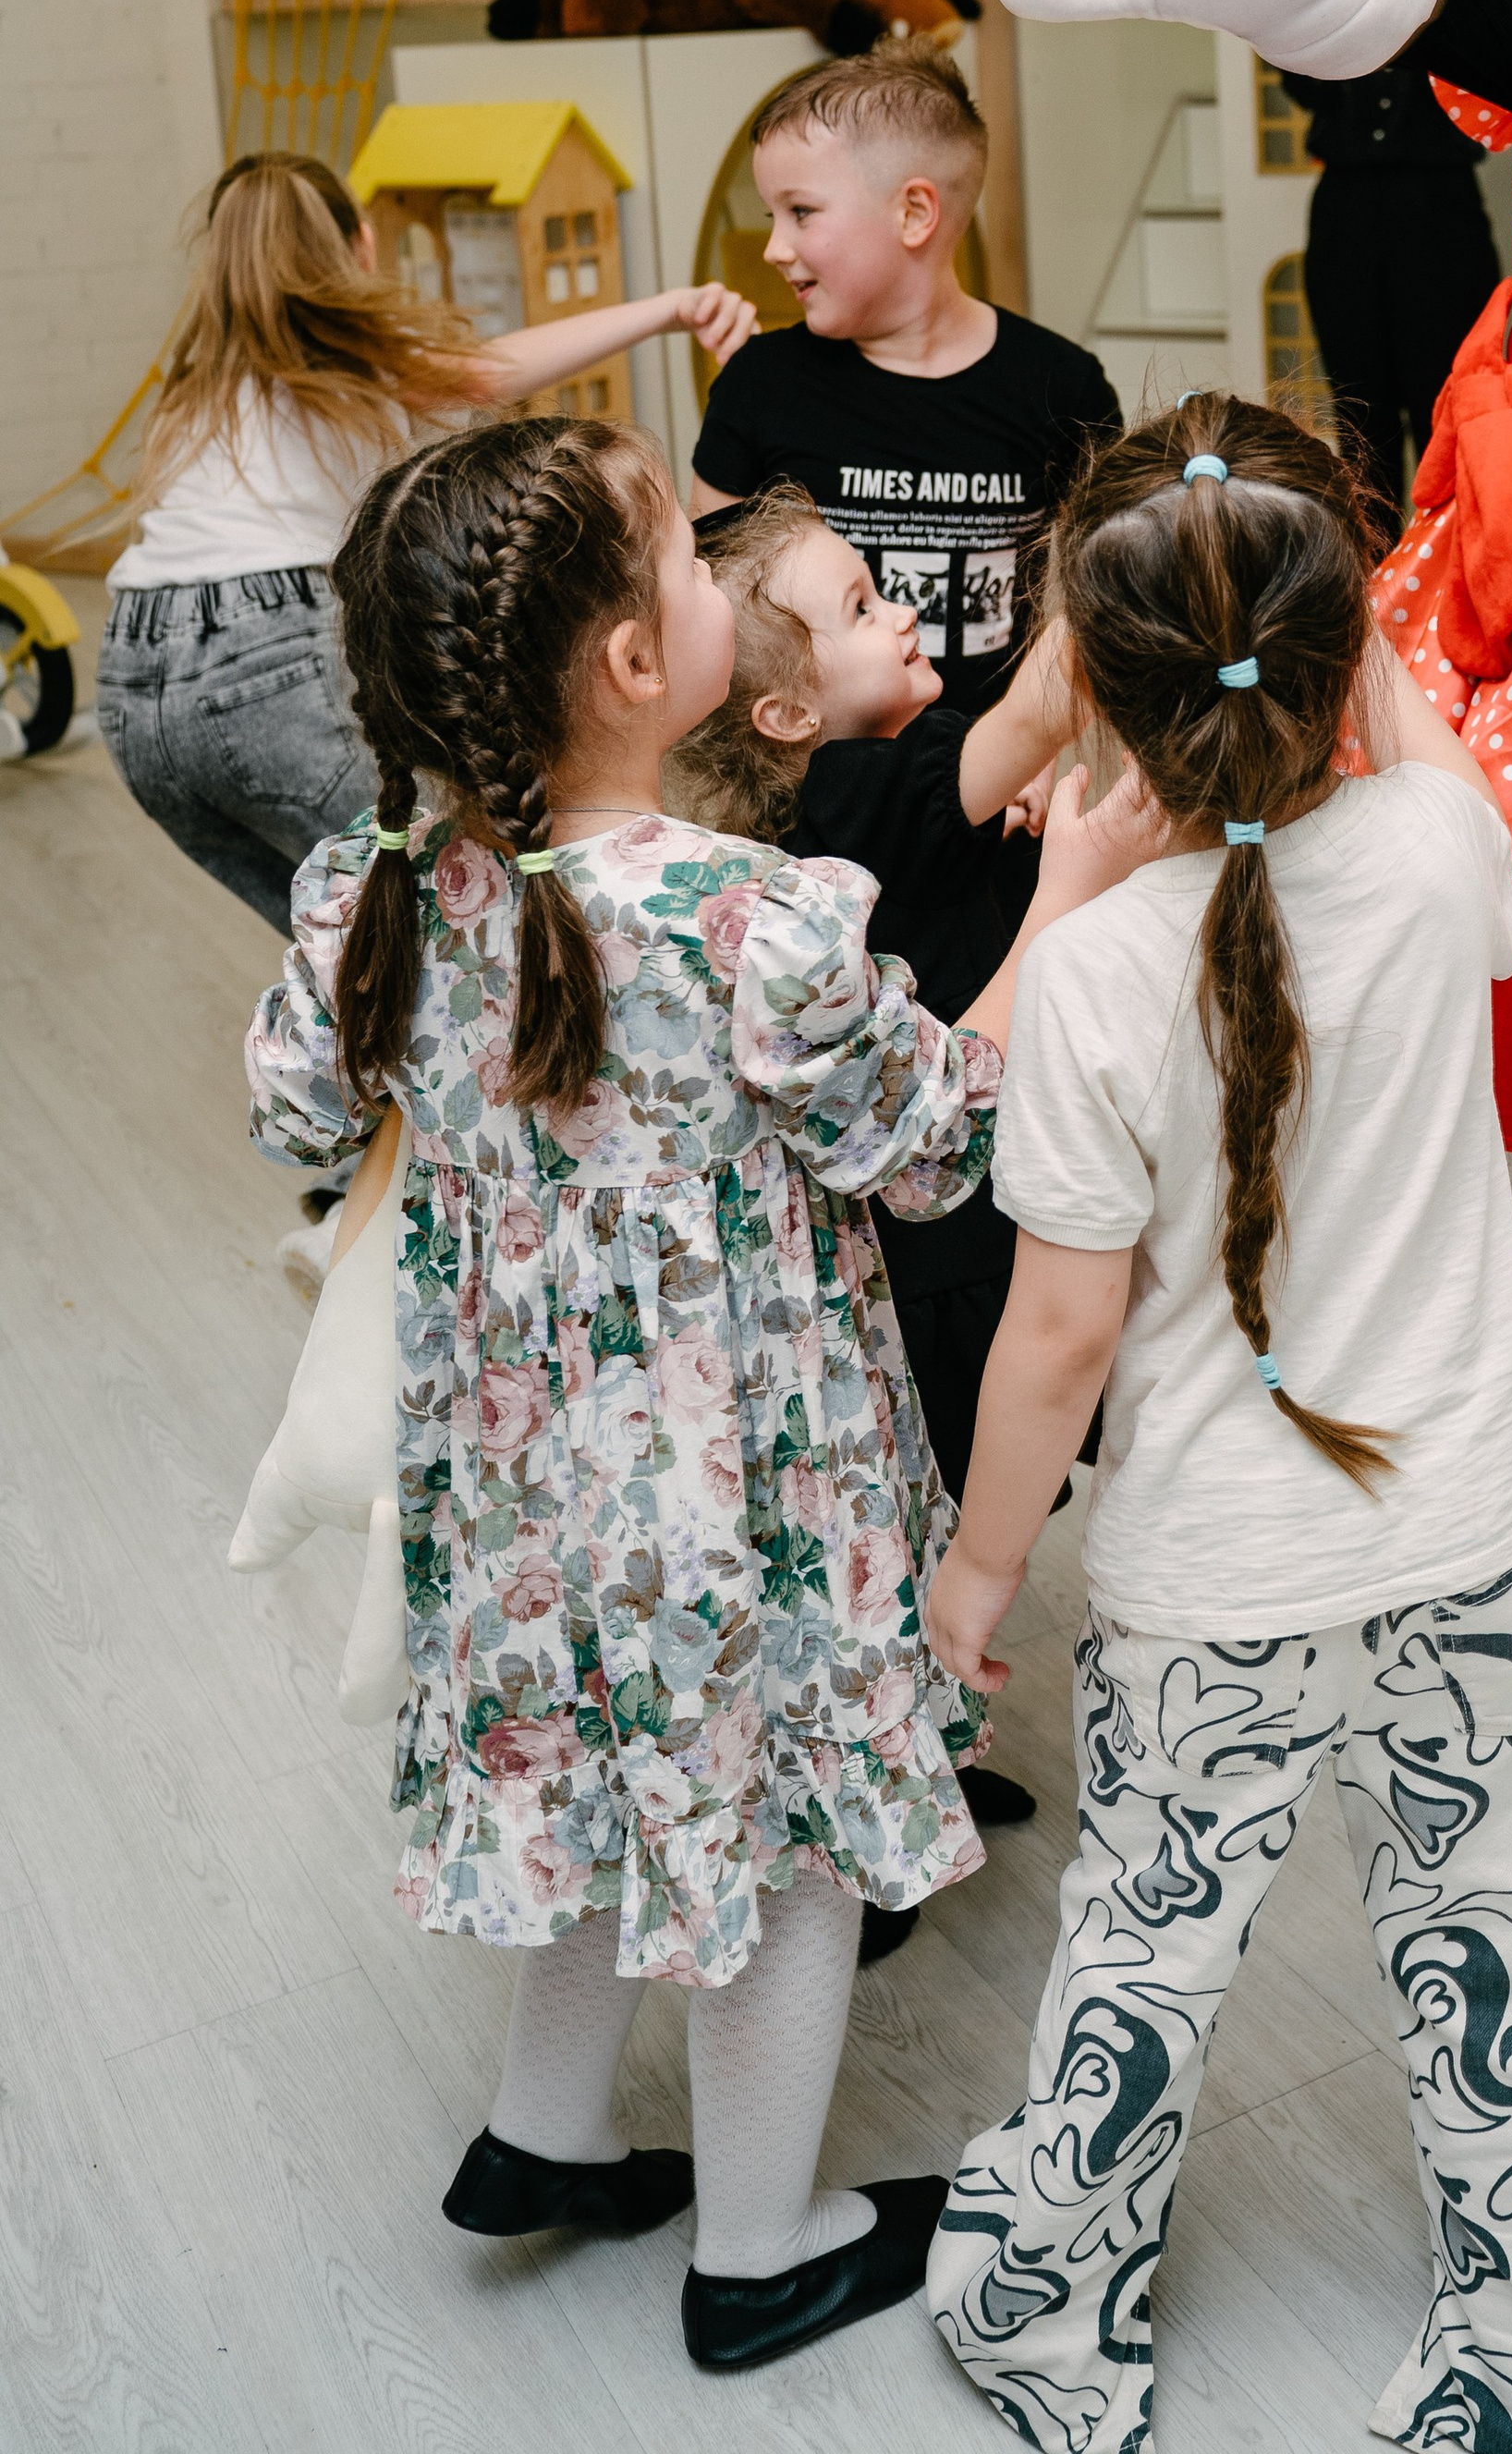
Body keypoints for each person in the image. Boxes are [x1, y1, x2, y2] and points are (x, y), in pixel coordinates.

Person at [243, 412, 1154, 2375]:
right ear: (638, 668)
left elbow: (290, 1112)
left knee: (594, 1801)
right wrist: (1067, 886)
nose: (712, 562)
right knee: (785, 1849)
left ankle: (544, 2134)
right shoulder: (752, 915)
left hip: (515, 1499)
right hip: (740, 1504)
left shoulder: (371, 896)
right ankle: (765, 2243)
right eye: (680, 548)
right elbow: (937, 1137)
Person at [921, 392, 1512, 2453]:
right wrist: (1359, 636)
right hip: (1472, 1556)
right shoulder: (1435, 860)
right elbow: (1410, 760)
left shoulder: (1085, 980)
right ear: (1344, 657)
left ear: (1094, 698)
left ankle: (1048, 2316)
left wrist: (979, 1575)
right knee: (1501, 1946)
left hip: (1207, 1588)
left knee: (1139, 1965)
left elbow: (1052, 1344)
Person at [669, 480, 1081, 1898]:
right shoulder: (841, 800)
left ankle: (926, 1748)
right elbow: (1008, 737)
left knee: (945, 1508)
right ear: (784, 714)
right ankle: (872, 1812)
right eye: (860, 607)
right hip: (933, 1236)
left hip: (975, 1206)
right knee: (928, 1516)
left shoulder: (901, 752)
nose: (902, 610)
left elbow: (992, 752)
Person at [101, 151, 757, 934]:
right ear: (358, 246)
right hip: (257, 653)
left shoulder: (198, 379)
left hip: (128, 680)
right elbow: (487, 374)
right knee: (446, 921)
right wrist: (672, 308)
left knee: (350, 938)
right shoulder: (339, 353)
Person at [688, 44, 1120, 723]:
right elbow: (707, 605)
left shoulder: (1061, 387)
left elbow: (1104, 598)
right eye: (772, 215)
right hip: (811, 801)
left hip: (995, 791)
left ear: (915, 214)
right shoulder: (758, 385)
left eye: (800, 211)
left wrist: (1037, 748)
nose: (773, 246)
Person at [1282, 37, 1498, 514]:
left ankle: (1449, 565)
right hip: (1347, 203)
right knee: (1358, 406)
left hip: (1440, 204)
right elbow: (1299, 78)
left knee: (1447, 401)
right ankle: (1372, 572)